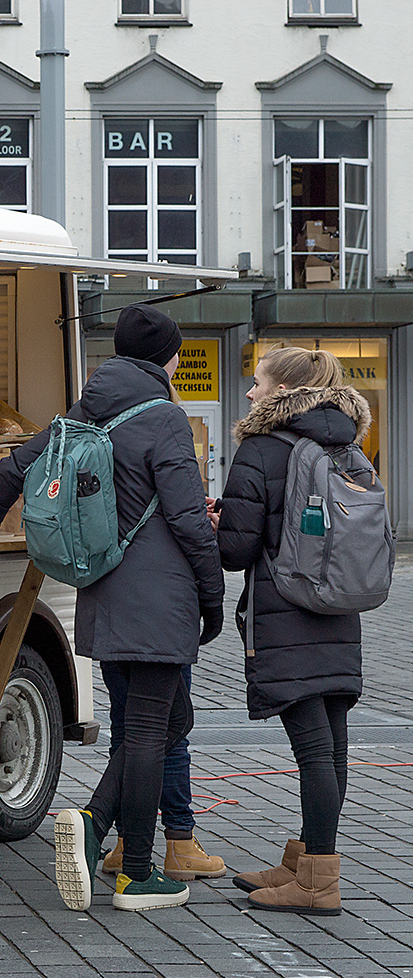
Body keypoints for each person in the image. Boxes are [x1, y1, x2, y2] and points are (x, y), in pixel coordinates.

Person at [0, 303, 224, 912]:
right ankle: (135, 873)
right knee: (153, 731)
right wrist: (213, 597)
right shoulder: (165, 419)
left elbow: (11, 468)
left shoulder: (81, 415)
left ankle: (98, 826)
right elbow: (187, 520)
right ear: (167, 357)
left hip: (102, 598)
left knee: (155, 724)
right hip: (161, 603)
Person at [210, 346, 369, 917]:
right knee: (332, 743)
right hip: (337, 607)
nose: (250, 393)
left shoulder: (260, 448)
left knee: (312, 750)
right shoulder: (346, 444)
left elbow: (236, 550)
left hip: (285, 610)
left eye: (257, 384)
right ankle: (303, 861)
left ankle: (319, 881)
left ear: (281, 393)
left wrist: (221, 519)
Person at [97, 660, 228, 883]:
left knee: (124, 723)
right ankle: (180, 842)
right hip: (163, 637)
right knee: (169, 723)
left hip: (112, 633)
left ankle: (124, 844)